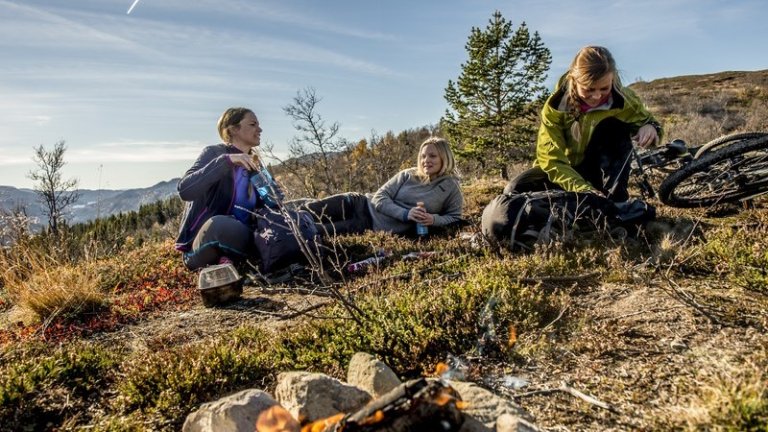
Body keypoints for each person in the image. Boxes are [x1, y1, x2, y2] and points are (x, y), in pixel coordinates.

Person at [504, 45, 663, 203]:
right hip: (562, 173)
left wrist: (650, 127)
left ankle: (615, 201)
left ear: (613, 78)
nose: (597, 96)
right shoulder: (556, 106)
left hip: (597, 174)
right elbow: (551, 158)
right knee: (514, 190)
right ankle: (578, 203)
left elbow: (649, 124)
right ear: (574, 81)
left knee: (614, 127)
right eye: (589, 89)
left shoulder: (624, 100)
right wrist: (582, 189)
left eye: (604, 88)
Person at [175, 107, 279, 271]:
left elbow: (272, 204)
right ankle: (260, 249)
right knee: (221, 225)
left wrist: (274, 197)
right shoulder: (214, 153)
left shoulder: (255, 164)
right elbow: (185, 190)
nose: (260, 129)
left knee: (305, 208)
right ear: (233, 129)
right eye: (253, 124)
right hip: (205, 244)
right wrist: (228, 161)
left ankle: (259, 250)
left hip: (246, 236)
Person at [298, 137, 464, 237]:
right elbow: (379, 197)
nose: (426, 160)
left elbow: (454, 217)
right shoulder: (408, 174)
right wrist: (406, 214)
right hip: (359, 202)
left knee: (312, 231)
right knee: (305, 211)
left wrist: (433, 220)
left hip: (368, 224)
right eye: (423, 156)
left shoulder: (451, 186)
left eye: (432, 156)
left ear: (444, 158)